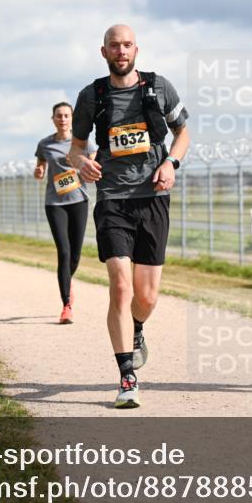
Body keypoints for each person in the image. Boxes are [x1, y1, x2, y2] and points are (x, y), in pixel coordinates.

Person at [68, 24, 190, 409]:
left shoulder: (158, 88)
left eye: (127, 45)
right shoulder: (92, 96)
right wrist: (82, 164)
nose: (121, 51)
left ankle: (136, 328)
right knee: (120, 285)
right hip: (113, 199)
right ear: (103, 52)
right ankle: (126, 376)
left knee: (147, 296)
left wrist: (171, 162)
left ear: (136, 49)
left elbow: (183, 133)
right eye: (114, 46)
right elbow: (75, 149)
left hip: (152, 196)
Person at [34, 101, 97, 324]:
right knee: (64, 251)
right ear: (53, 119)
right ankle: (66, 305)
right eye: (59, 116)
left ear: (72, 119)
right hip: (54, 203)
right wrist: (40, 169)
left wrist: (89, 166)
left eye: (66, 115)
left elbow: (93, 164)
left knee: (75, 255)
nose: (62, 119)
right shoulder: (45, 144)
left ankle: (67, 283)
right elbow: (41, 161)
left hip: (78, 200)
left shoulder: (83, 144)